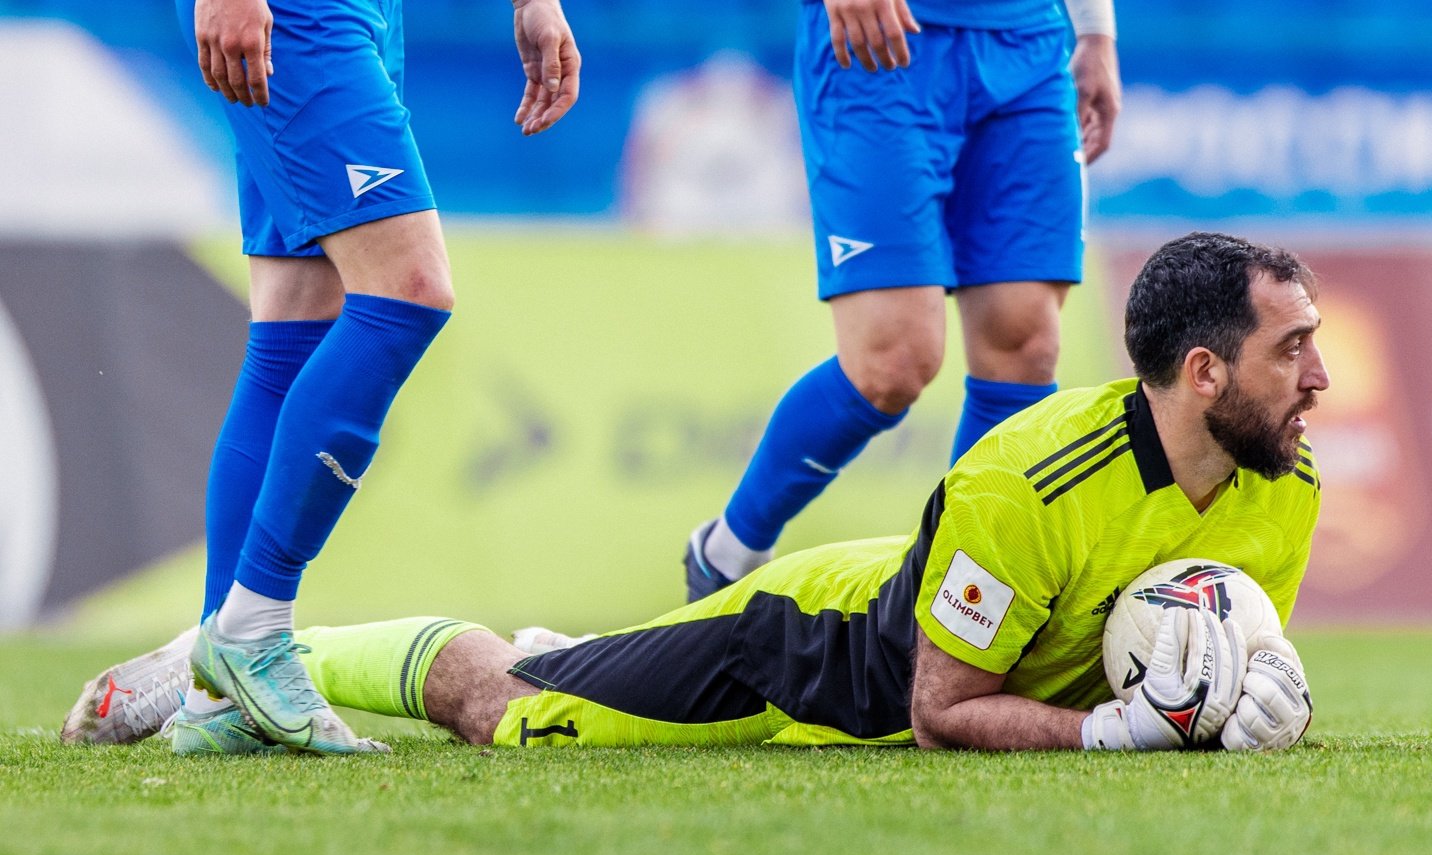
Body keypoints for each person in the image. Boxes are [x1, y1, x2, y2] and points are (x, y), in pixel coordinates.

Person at [67, 233, 1327, 754]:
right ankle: (232, 654)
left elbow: (1191, 649)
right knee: (509, 709)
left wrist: (1240, 702)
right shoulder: (1027, 478)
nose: (1321, 379)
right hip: (814, 660)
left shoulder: (1286, 482)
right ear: (1202, 371)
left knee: (574, 663)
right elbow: (941, 711)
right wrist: (1118, 734)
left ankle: (579, 654)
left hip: (931, 615)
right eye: (1292, 351)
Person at [146, 0, 582, 754]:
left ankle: (217, 698)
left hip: (370, 14)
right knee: (408, 289)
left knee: (294, 330)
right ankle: (250, 633)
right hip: (297, 14)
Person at [682, 0, 1122, 601]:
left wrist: (1096, 31)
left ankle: (953, 608)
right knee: (891, 363)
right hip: (883, 37)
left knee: (1024, 346)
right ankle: (728, 553)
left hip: (1028, 41)